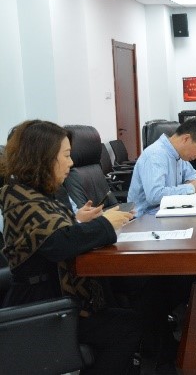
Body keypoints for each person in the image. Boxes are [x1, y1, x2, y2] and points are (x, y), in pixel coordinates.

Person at [0, 120, 141, 374]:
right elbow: (58, 243)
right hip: (44, 306)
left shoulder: (39, 193)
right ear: (42, 158)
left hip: (58, 294)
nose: (72, 162)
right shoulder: (18, 198)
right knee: (126, 327)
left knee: (126, 303)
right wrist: (105, 223)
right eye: (65, 155)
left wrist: (81, 221)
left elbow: (51, 232)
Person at [127, 118, 196, 217]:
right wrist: (191, 187)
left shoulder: (180, 155)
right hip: (145, 218)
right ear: (186, 139)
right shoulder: (155, 155)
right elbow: (154, 195)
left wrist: (193, 184)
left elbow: (193, 178)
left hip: (169, 211)